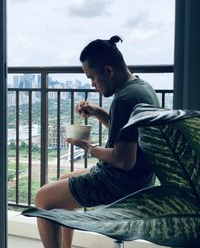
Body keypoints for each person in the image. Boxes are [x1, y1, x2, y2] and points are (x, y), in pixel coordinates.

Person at [35, 35, 160, 248]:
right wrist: (97, 112)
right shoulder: (141, 88)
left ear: (108, 71)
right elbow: (126, 133)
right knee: (64, 178)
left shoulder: (124, 100)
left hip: (120, 183)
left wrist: (88, 147)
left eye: (92, 77)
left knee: (43, 199)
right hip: (140, 179)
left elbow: (123, 160)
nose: (93, 85)